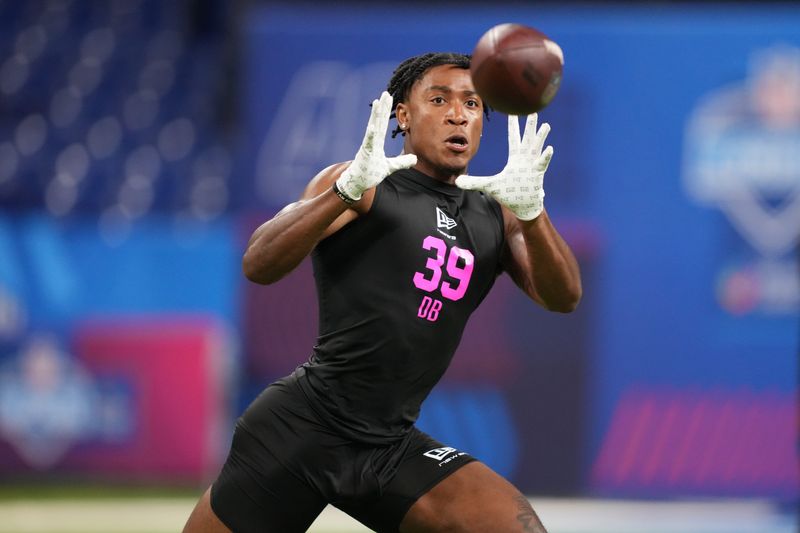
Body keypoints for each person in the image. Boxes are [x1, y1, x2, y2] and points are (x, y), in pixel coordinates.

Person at [183, 52, 581, 533]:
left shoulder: (498, 213)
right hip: (301, 429)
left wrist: (534, 211)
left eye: (473, 104)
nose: (458, 114)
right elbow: (259, 264)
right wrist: (343, 192)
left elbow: (564, 298)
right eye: (439, 99)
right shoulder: (365, 184)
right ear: (403, 115)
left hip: (388, 445)